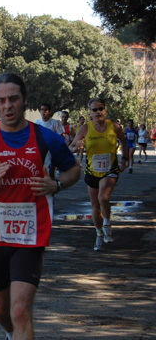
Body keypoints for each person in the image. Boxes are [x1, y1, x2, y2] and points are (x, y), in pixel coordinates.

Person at [0, 72, 80, 340]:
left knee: (20, 310)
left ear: (24, 101)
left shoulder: (47, 139)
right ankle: (13, 334)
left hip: (31, 235)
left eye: (13, 99)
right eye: (1, 101)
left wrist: (56, 185)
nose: (7, 106)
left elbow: (73, 171)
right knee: (1, 311)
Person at [68, 97, 127, 251]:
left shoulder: (114, 127)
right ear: (90, 113)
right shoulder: (85, 129)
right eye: (95, 109)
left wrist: (125, 159)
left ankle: (107, 224)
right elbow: (71, 147)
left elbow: (124, 142)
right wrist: (77, 147)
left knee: (103, 197)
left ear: (105, 111)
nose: (98, 112)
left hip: (110, 170)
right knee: (95, 205)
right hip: (92, 171)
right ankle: (99, 233)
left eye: (101, 109)